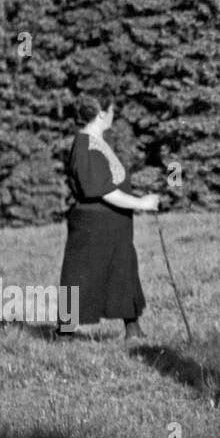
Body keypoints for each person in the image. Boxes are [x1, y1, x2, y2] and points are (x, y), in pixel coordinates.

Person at [58, 94, 160, 341]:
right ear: (101, 113)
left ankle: (133, 329)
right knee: (79, 276)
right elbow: (103, 190)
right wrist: (141, 203)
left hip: (114, 225)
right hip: (93, 226)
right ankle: (64, 333)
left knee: (123, 271)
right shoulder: (84, 146)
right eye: (112, 110)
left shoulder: (97, 141)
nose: (114, 114)